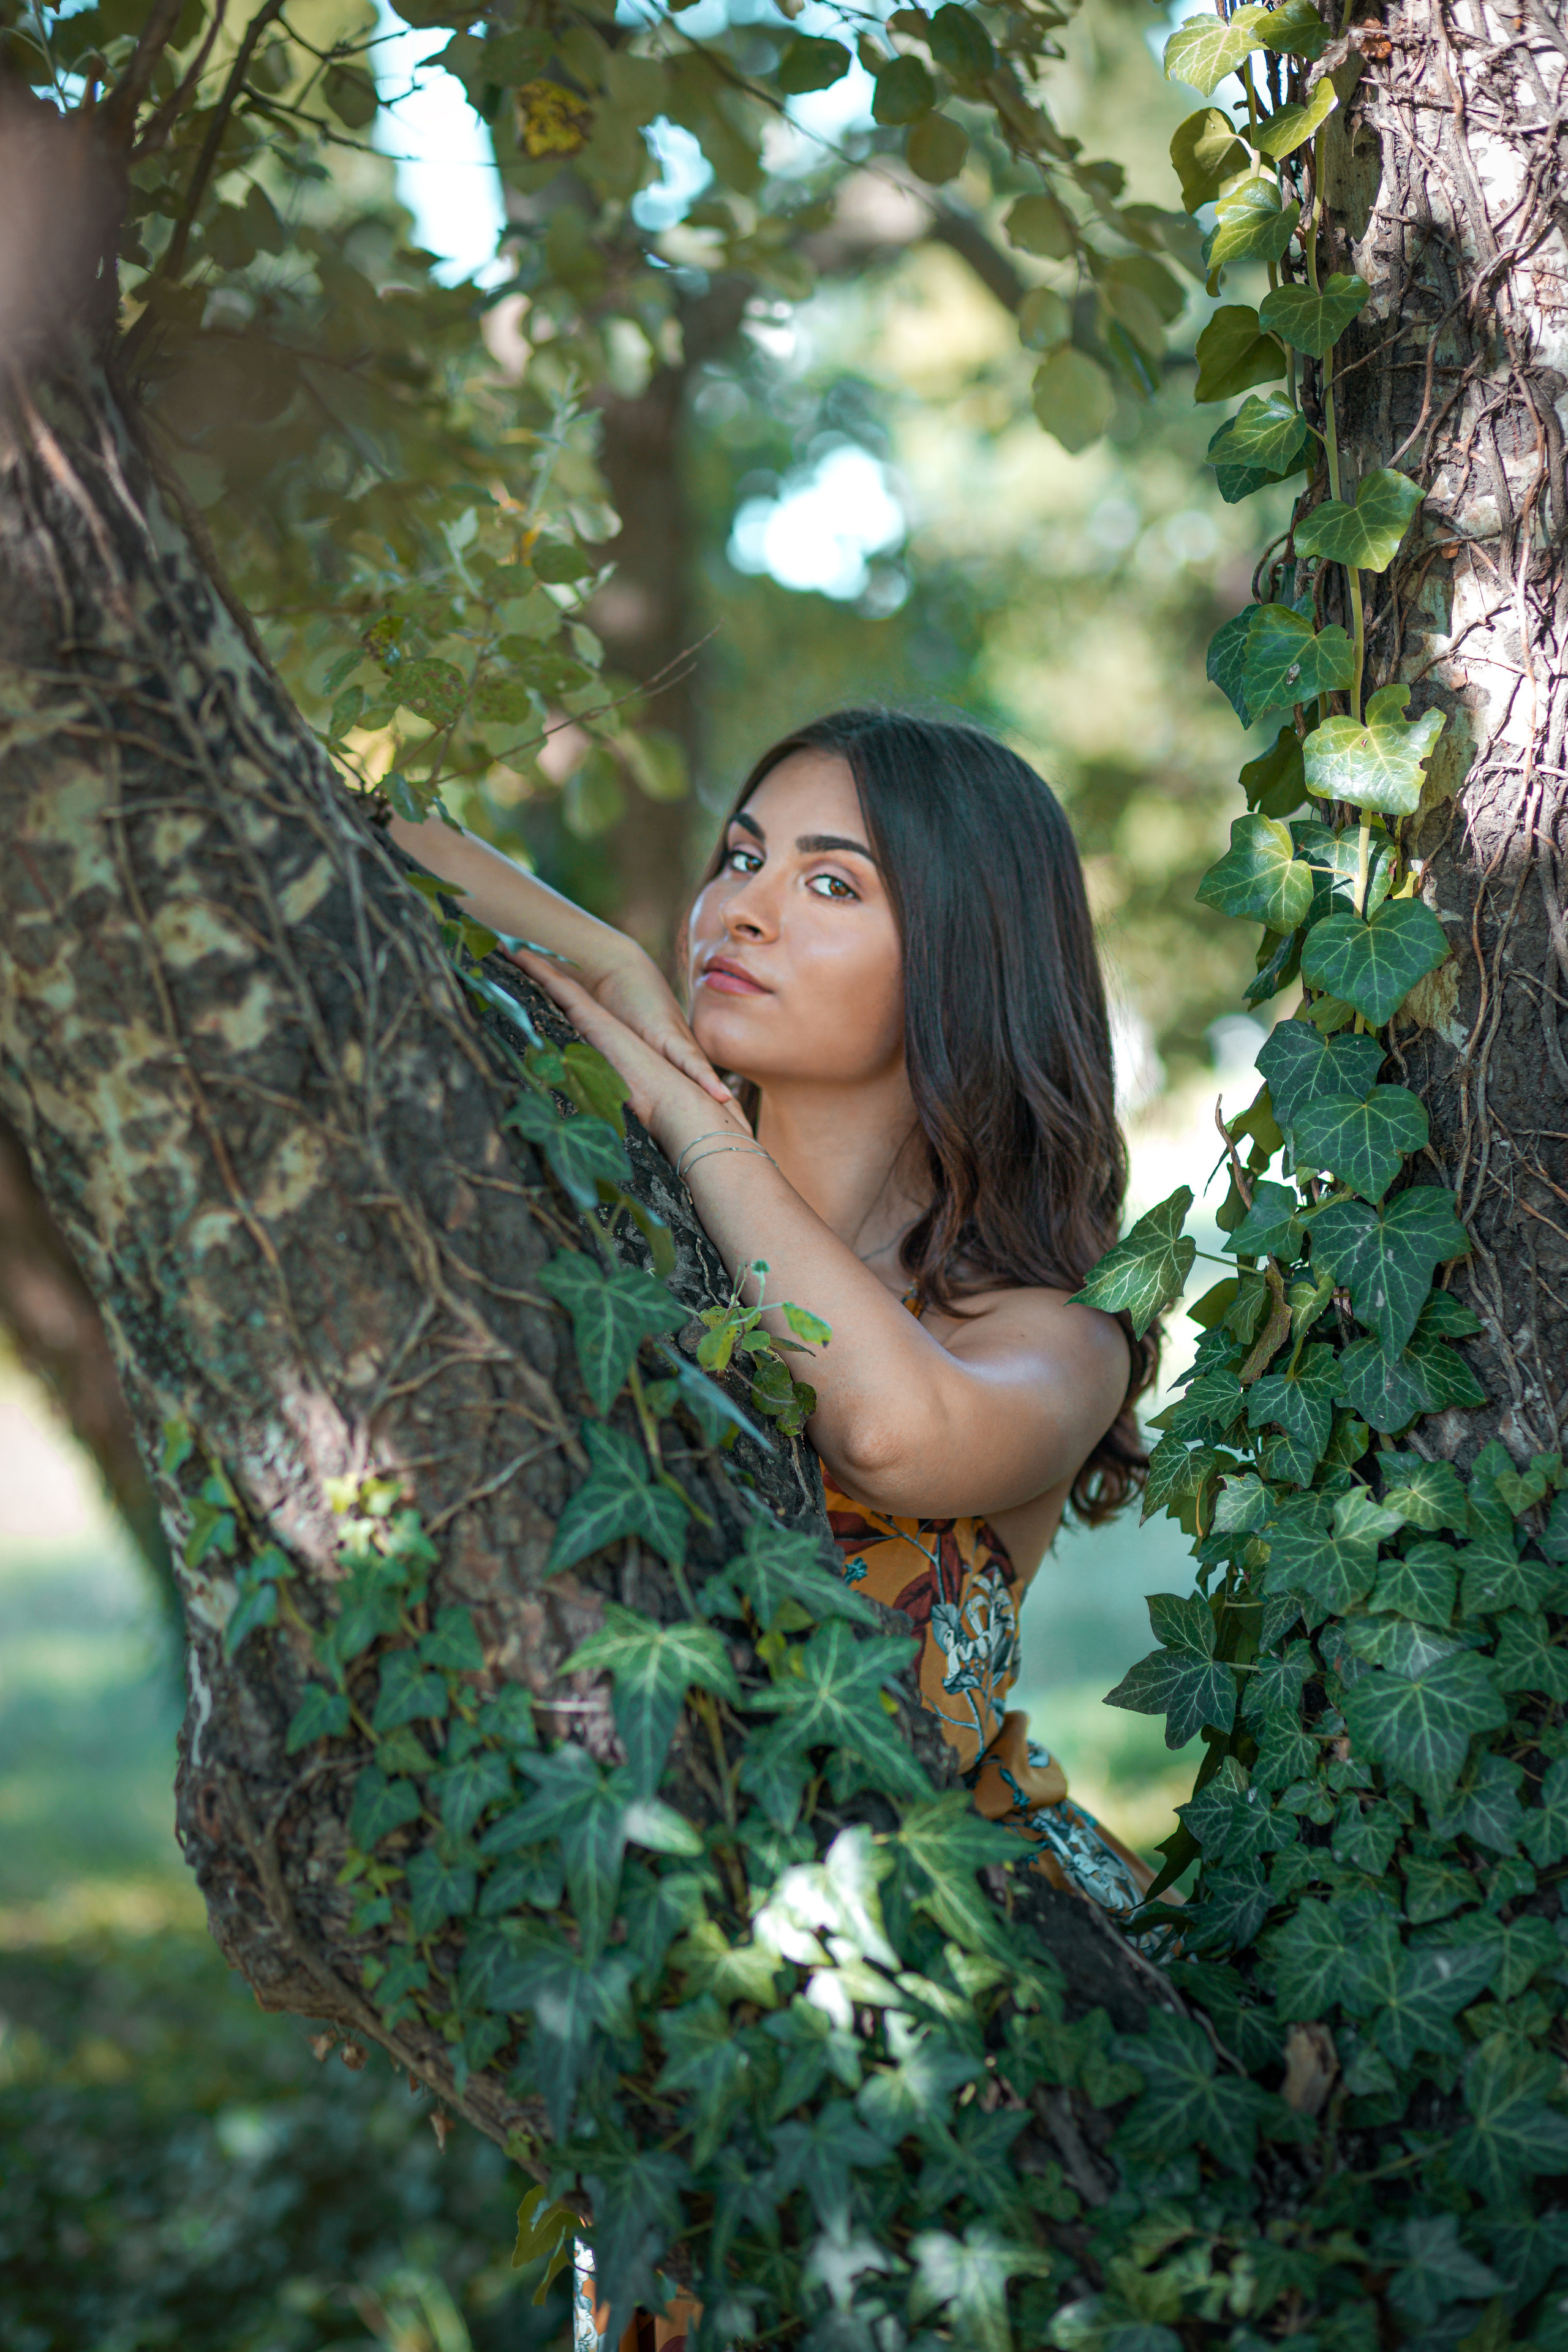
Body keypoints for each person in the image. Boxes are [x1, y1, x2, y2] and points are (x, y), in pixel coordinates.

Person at [390, 707, 1158, 2352]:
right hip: (681, 2039)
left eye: (829, 884)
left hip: (973, 2032)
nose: (738, 908)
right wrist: (594, 945)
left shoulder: (1046, 1336)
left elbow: (887, 1424)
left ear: (962, 956)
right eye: (738, 858)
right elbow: (360, 845)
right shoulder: (602, 1255)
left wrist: (688, 1109)